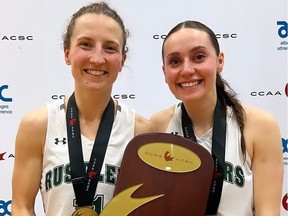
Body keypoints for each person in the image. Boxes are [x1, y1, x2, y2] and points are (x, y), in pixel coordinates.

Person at [11, 2, 155, 215]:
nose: (97, 58)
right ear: (67, 53)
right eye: (86, 44)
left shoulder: (142, 131)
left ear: (122, 60)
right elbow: (21, 206)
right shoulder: (37, 125)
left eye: (110, 47)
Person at [150, 20, 284, 216]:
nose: (187, 70)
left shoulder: (260, 126)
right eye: (175, 61)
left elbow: (268, 212)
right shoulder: (157, 126)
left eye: (199, 57)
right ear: (165, 72)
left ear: (219, 61)